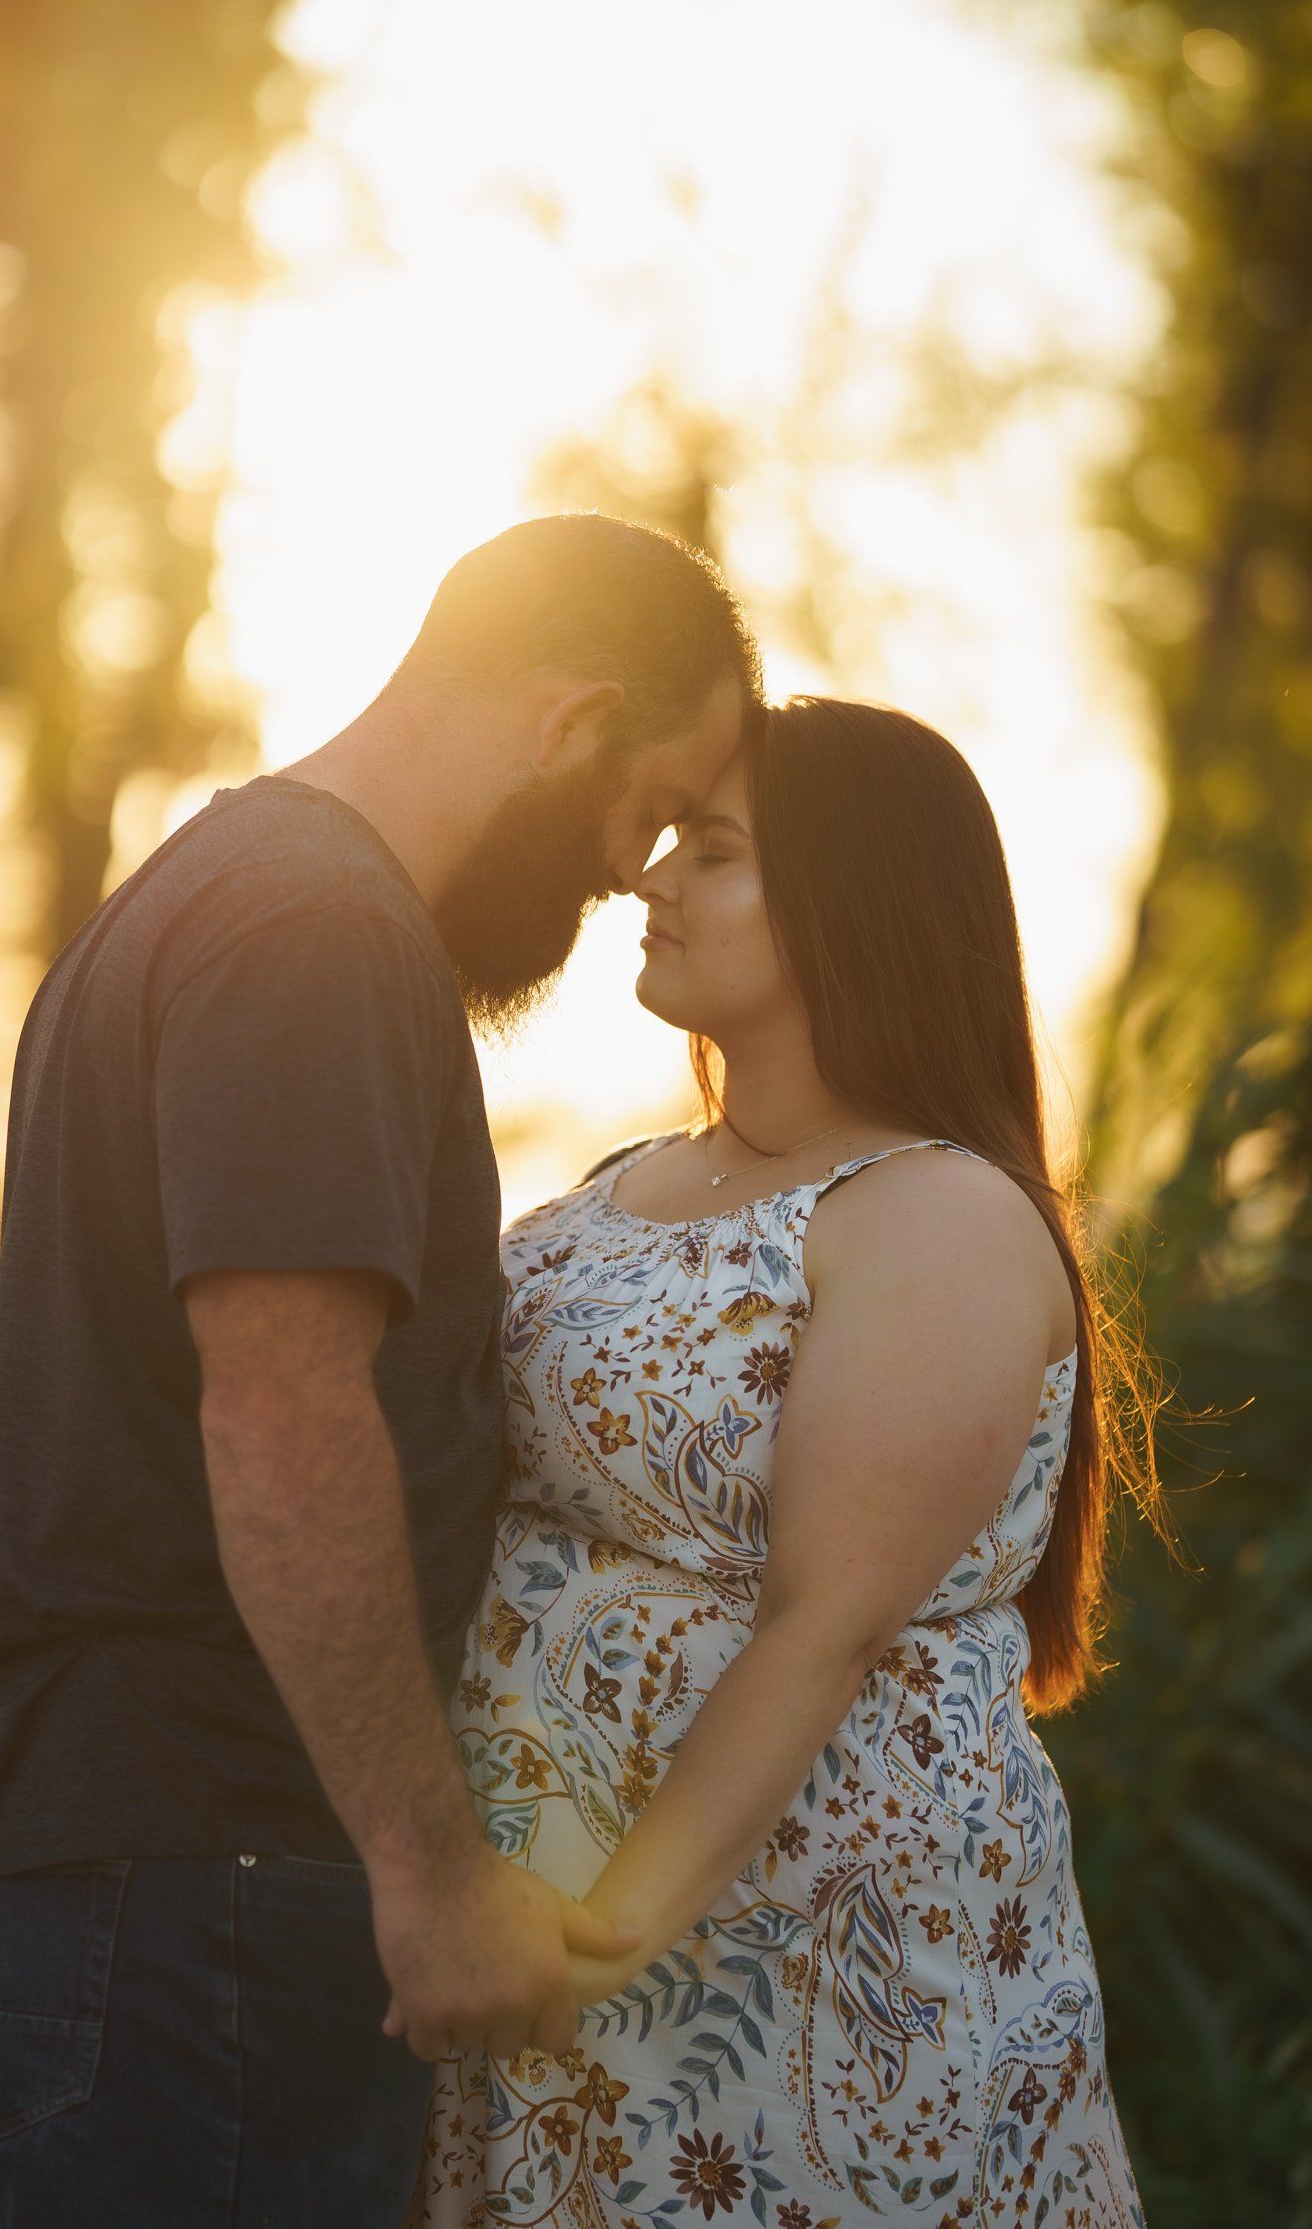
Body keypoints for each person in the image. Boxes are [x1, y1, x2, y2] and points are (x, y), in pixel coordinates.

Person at [0, 513, 758, 2229]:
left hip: (106, 1862)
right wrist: (426, 1870)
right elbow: (281, 1407)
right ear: (568, 722)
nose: (623, 870)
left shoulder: (217, 888)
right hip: (195, 1868)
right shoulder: (318, 936)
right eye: (646, 807)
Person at [408, 695, 1157, 2229]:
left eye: (718, 850)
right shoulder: (626, 1180)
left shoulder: (934, 1213)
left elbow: (827, 1624)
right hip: (554, 1945)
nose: (653, 877)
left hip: (799, 1968)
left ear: (853, 900)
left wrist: (606, 1938)